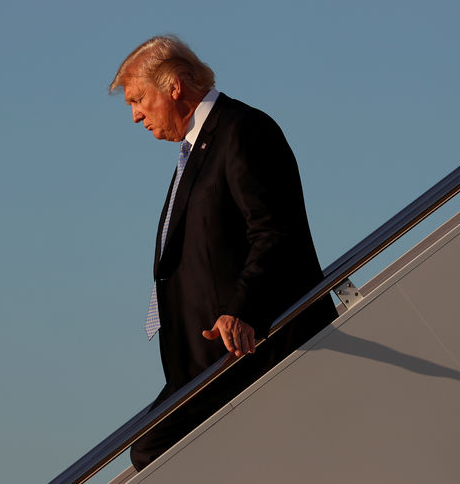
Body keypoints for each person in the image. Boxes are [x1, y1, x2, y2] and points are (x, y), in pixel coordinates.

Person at [109, 35, 337, 471]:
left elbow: (274, 230)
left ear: (174, 86)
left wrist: (241, 309)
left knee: (152, 451)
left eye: (138, 100)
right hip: (199, 362)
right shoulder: (197, 150)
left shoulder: (242, 130)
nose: (136, 115)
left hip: (247, 346)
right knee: (147, 447)